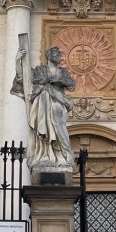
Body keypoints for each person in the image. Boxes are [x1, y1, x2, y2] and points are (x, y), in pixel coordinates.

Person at [11, 39, 76, 170]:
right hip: (42, 102)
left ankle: (66, 154)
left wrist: (59, 80)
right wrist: (18, 61)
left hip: (58, 101)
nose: (58, 56)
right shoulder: (40, 70)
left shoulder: (62, 72)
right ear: (48, 56)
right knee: (42, 128)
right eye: (56, 54)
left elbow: (72, 84)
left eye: (59, 54)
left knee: (59, 127)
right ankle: (45, 155)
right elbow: (24, 77)